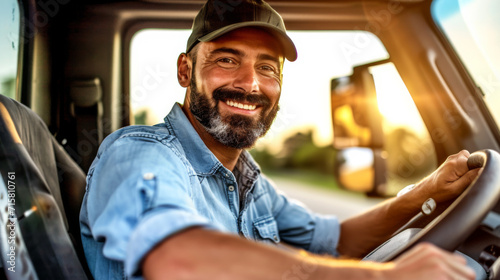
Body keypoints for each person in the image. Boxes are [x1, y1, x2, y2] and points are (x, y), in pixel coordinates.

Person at [79, 0, 479, 279]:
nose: (250, 84)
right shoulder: (139, 152)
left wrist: (424, 193)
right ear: (186, 71)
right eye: (226, 59)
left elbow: (334, 241)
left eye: (267, 68)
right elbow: (176, 257)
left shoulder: (247, 181)